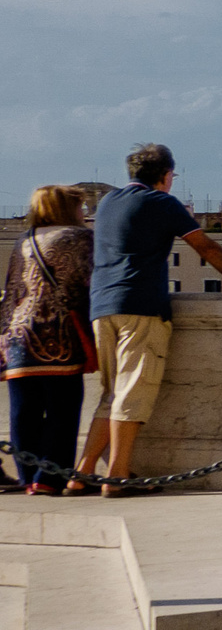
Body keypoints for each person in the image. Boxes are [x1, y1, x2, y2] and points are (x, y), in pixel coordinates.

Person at [77, 144, 222, 496]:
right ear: (166, 176)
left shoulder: (107, 203)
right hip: (140, 305)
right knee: (132, 393)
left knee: (112, 393)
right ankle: (118, 476)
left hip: (102, 305)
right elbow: (206, 248)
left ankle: (83, 472)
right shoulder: (162, 203)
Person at [2, 187, 97, 494]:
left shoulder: (24, 239)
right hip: (58, 333)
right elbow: (88, 282)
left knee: (23, 411)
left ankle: (28, 477)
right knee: (63, 408)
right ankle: (50, 477)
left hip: (17, 336)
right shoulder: (77, 237)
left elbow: (12, 290)